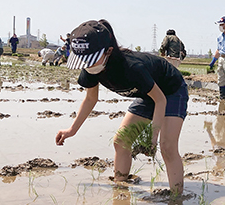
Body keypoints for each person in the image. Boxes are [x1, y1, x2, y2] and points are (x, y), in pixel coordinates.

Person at [56, 19, 189, 194]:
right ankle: (120, 188)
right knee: (121, 141)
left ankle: (176, 199)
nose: (87, 66)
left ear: (109, 51)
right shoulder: (91, 68)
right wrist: (71, 130)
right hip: (146, 93)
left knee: (167, 147)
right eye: (83, 61)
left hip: (170, 90)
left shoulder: (132, 68)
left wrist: (153, 135)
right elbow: (90, 99)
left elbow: (160, 100)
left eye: (90, 61)